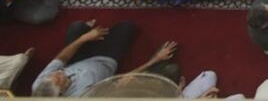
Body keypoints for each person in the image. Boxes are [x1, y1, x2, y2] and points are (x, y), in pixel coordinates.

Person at [31, 21, 178, 97]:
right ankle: (94, 35)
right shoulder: (84, 96)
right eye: (58, 78)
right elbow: (120, 80)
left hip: (80, 59)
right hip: (106, 60)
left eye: (52, 75)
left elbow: (61, 58)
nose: (57, 73)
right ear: (61, 93)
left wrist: (84, 38)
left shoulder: (39, 84)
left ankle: (88, 31)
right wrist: (155, 59)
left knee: (77, 27)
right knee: (127, 27)